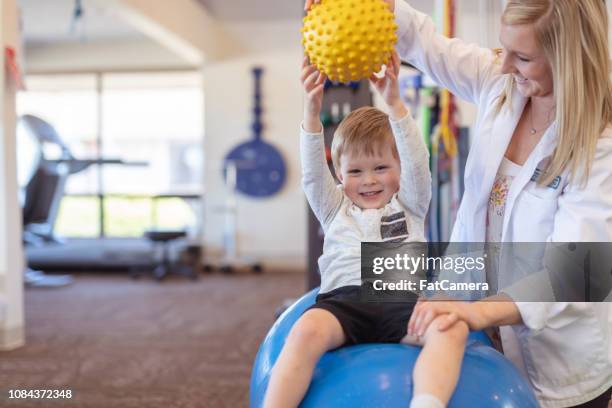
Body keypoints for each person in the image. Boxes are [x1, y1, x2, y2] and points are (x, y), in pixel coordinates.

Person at [304, 0, 612, 406]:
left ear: (568, 59)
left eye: (522, 57)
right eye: (505, 49)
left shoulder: (601, 145)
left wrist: (476, 313)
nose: (504, 66)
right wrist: (364, 5)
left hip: (557, 359)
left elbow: (577, 271)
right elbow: (424, 42)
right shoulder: (500, 81)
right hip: (475, 330)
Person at [263, 53, 467, 408]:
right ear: (340, 176)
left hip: (401, 304)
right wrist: (312, 113)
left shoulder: (410, 202)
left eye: (381, 167)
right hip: (343, 304)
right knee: (304, 331)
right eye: (355, 172)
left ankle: (428, 402)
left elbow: (417, 161)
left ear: (399, 168)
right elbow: (312, 173)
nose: (369, 180)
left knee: (452, 328)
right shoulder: (335, 207)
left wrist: (394, 104)